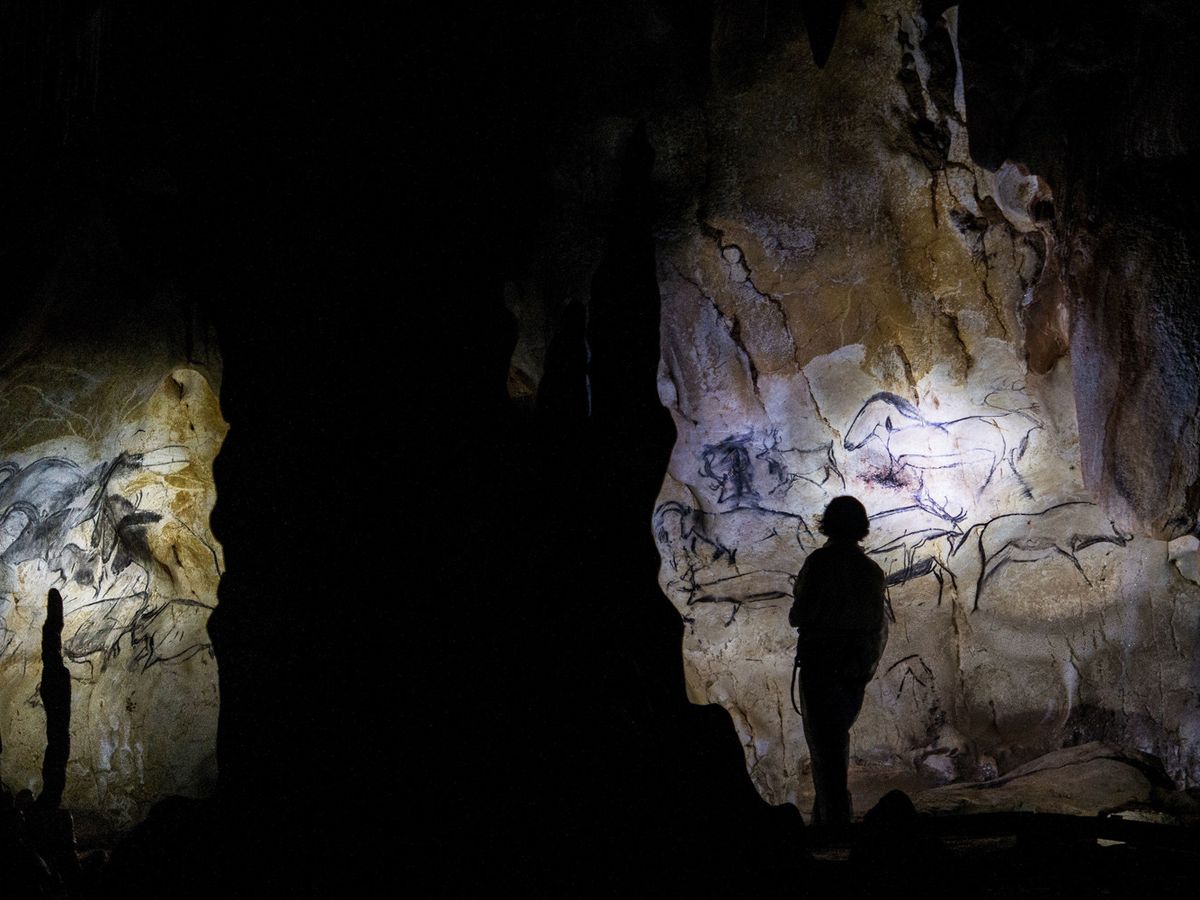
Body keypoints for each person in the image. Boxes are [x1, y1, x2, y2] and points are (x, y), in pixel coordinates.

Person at [789, 496, 888, 829]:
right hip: (853, 670)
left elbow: (799, 613)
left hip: (820, 667)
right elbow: (876, 624)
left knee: (824, 745)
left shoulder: (818, 563)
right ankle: (831, 817)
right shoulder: (870, 570)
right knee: (835, 741)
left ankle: (832, 824)